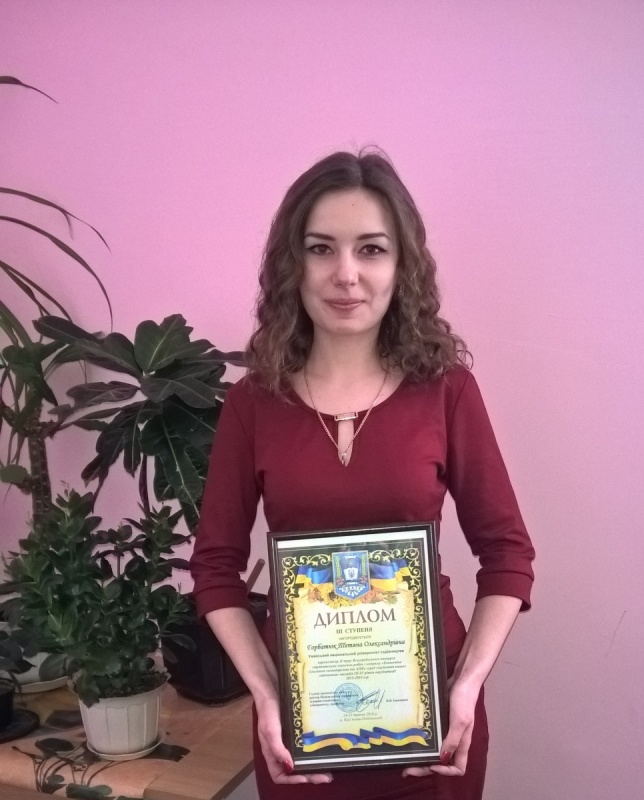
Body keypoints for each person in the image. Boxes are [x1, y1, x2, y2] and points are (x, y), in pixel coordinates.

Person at [190, 150, 535, 800]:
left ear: (402, 265)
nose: (346, 274)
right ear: (291, 264)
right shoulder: (253, 403)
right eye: (321, 248)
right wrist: (266, 695)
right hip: (299, 732)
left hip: (435, 727)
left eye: (371, 249)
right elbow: (214, 570)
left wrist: (466, 687)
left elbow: (508, 555)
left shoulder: (447, 391)